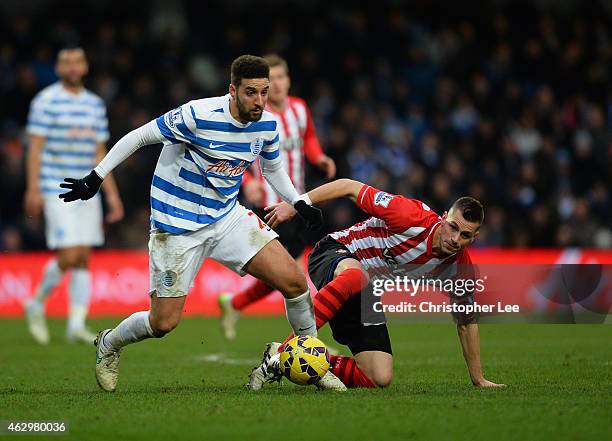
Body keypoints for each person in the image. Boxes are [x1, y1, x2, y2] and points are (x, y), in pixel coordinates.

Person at [59, 55, 324, 392]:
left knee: (294, 282)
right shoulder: (197, 115)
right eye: (250, 93)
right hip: (176, 226)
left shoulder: (267, 125)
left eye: (264, 92)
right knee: (163, 322)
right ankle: (109, 342)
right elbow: (139, 136)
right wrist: (96, 177)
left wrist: (299, 201)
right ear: (232, 90)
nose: (259, 101)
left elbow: (272, 170)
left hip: (227, 218)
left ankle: (312, 359)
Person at [248, 178, 506, 390]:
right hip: (335, 253)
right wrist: (299, 203)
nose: (455, 238)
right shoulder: (409, 215)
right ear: (443, 217)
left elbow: (466, 324)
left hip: (365, 292)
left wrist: (478, 379)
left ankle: (306, 364)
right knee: (357, 276)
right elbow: (349, 186)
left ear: (475, 237)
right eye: (452, 227)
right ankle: (283, 352)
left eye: (465, 235)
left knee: (377, 377)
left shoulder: (460, 270)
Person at [218, 54, 336, 340]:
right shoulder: (255, 115)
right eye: (273, 80)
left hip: (296, 202)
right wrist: (247, 182)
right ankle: (307, 341)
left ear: (289, 80)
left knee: (286, 273)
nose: (279, 84)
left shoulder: (300, 108)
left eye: (282, 77)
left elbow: (308, 139)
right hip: (269, 204)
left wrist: (318, 158)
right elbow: (232, 152)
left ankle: (234, 304)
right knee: (292, 275)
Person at [23, 46, 124, 345]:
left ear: (85, 67)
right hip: (56, 185)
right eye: (66, 62)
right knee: (69, 254)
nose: (72, 67)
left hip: (87, 187)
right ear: (58, 68)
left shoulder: (94, 104)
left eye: (77, 61)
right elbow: (36, 148)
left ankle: (75, 324)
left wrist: (112, 194)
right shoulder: (46, 101)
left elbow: (100, 152)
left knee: (83, 257)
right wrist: (32, 188)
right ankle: (35, 303)